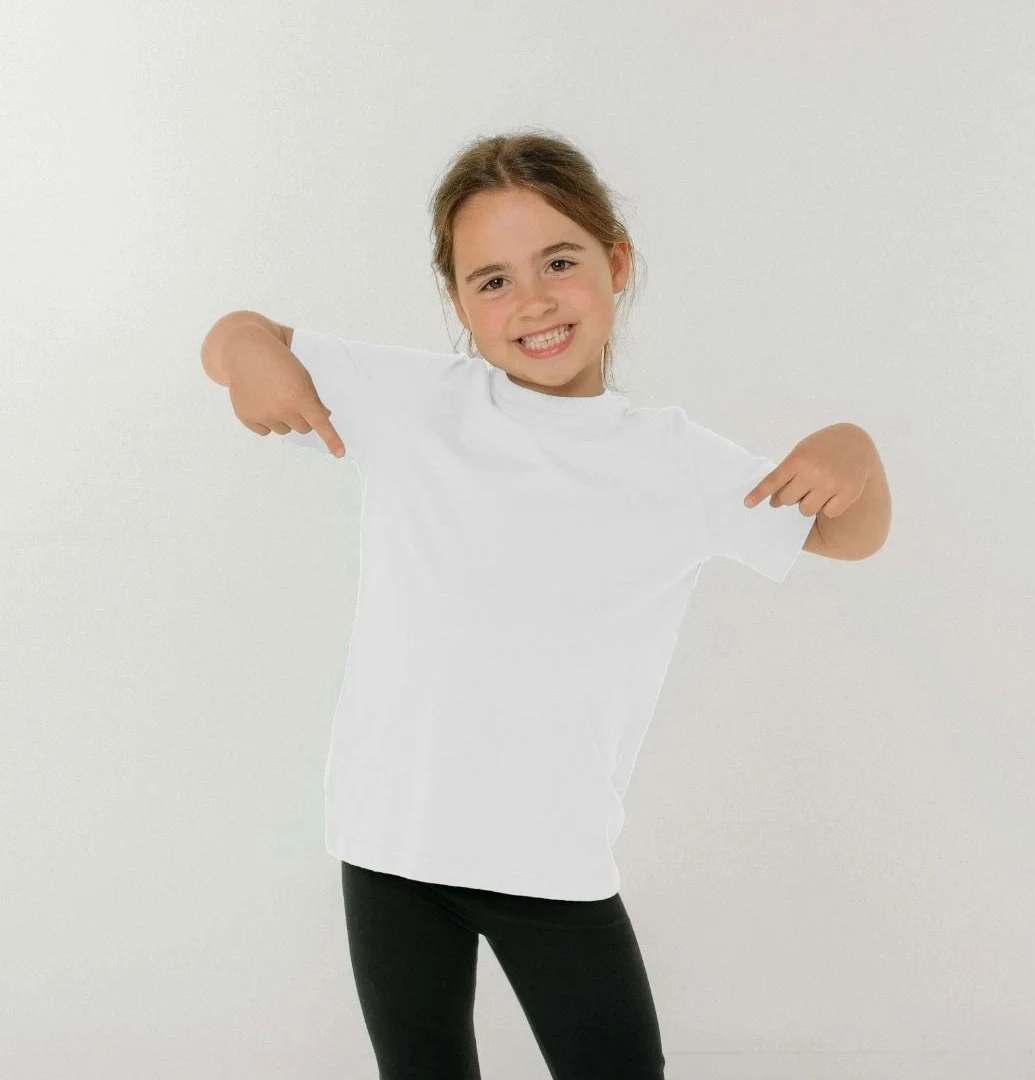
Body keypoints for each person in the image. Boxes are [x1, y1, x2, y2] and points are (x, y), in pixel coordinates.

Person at [200, 129, 821, 1080]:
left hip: (550, 860)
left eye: (559, 262)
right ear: (458, 302)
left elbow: (843, 531)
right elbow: (239, 334)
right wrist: (247, 350)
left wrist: (854, 448)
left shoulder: (677, 461)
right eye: (492, 280)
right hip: (390, 845)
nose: (531, 300)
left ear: (617, 263)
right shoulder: (414, 401)